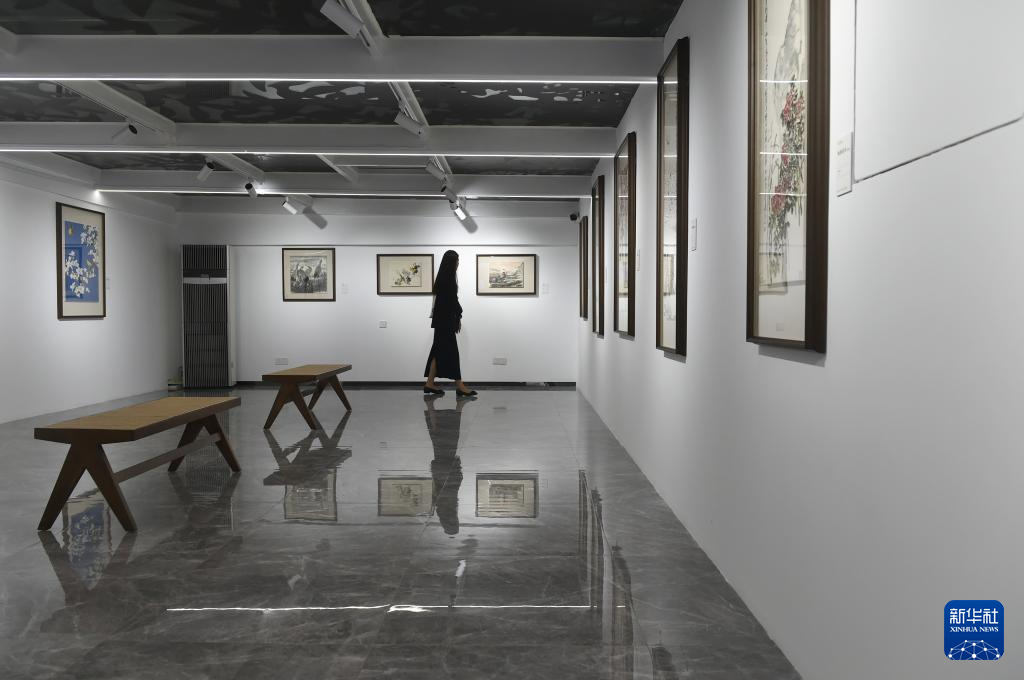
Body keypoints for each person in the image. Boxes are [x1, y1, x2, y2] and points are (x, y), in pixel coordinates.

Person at [423, 250, 477, 397]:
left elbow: (448, 303)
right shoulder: (448, 280)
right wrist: (457, 317)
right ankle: (460, 385)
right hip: (445, 324)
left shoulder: (442, 279)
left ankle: (429, 383)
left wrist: (457, 315)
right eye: (456, 261)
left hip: (441, 323)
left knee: (437, 351)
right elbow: (452, 303)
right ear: (450, 263)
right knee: (452, 353)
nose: (458, 263)